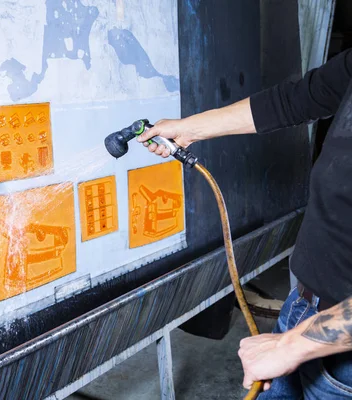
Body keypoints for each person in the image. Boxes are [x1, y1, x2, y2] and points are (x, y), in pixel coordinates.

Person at [137, 48, 352, 399]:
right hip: (305, 301)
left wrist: (291, 347)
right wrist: (187, 129)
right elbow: (297, 99)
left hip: (337, 352)